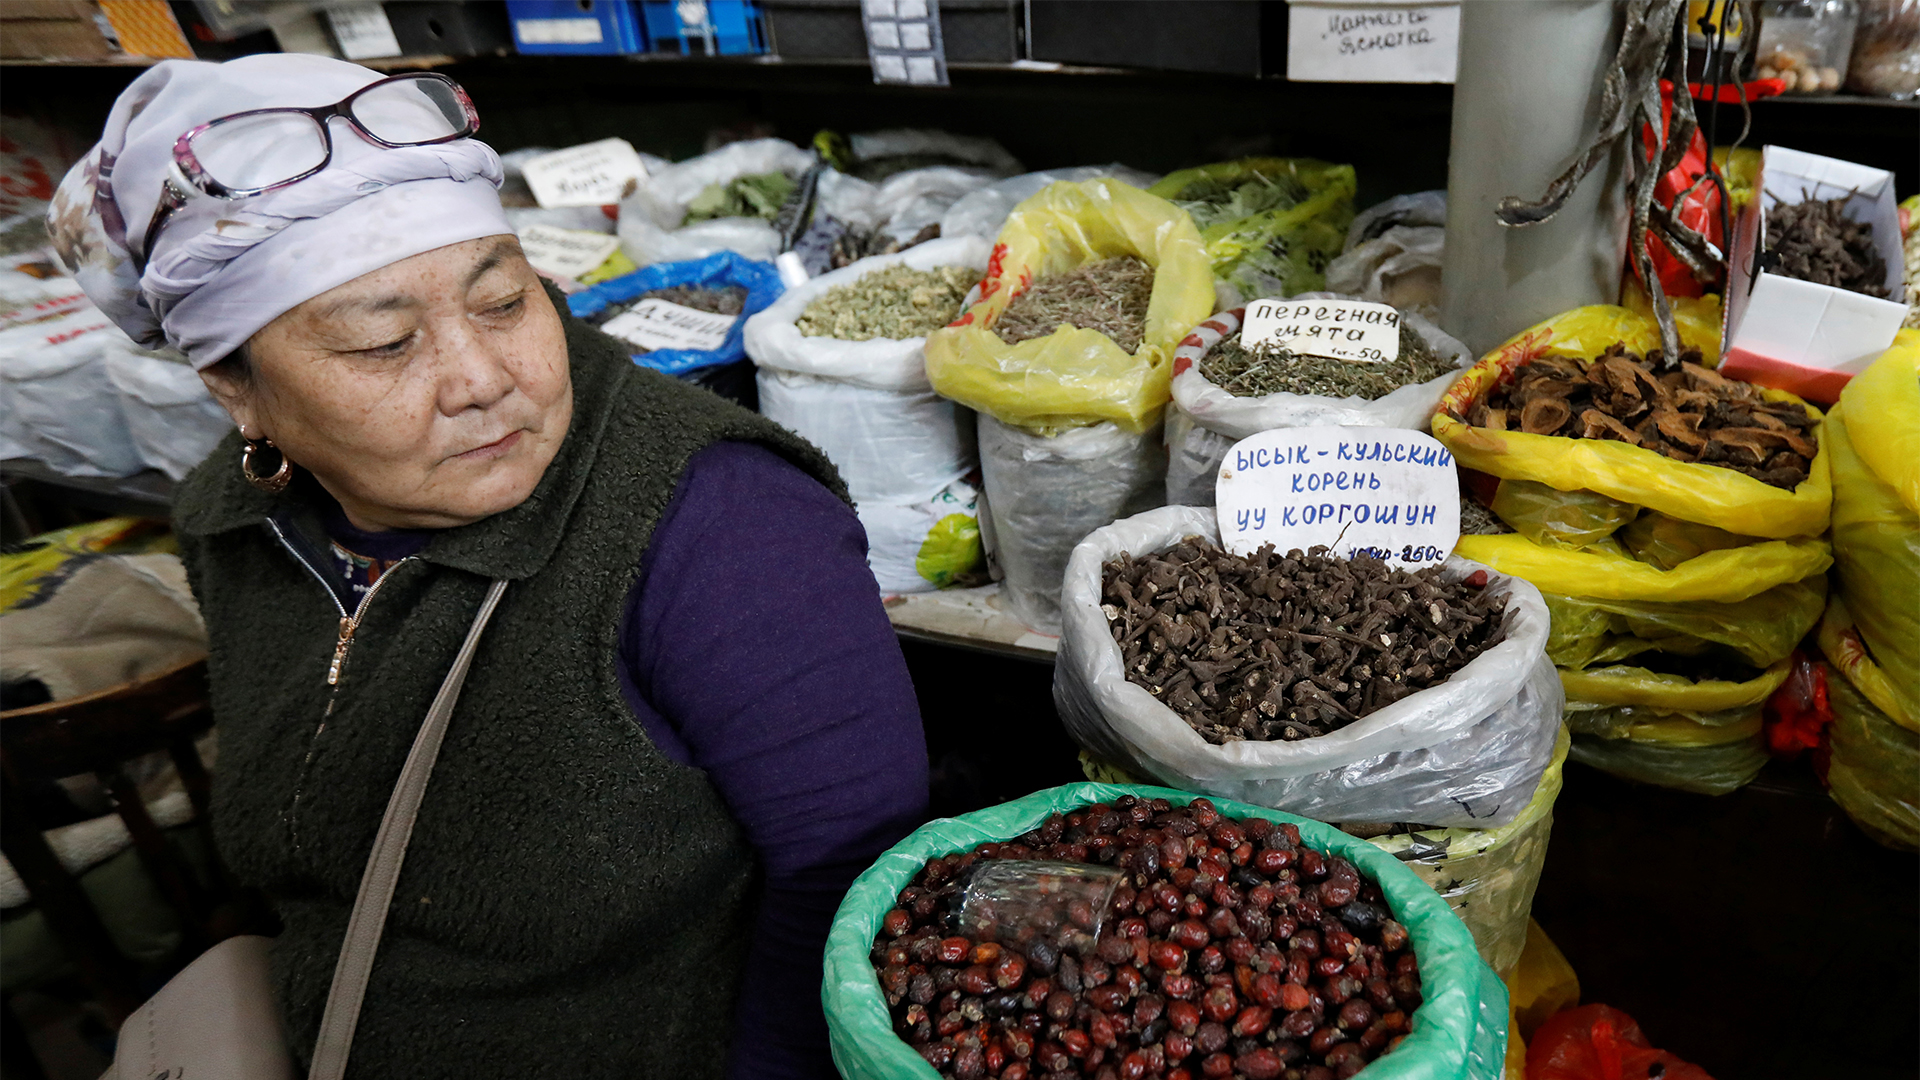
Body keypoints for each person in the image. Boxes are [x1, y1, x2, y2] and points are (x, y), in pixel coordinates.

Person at [50, 55, 928, 1079]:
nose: (481, 380)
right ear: (233, 388)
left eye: (505, 302)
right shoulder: (236, 524)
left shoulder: (721, 526)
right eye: (382, 343)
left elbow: (851, 888)